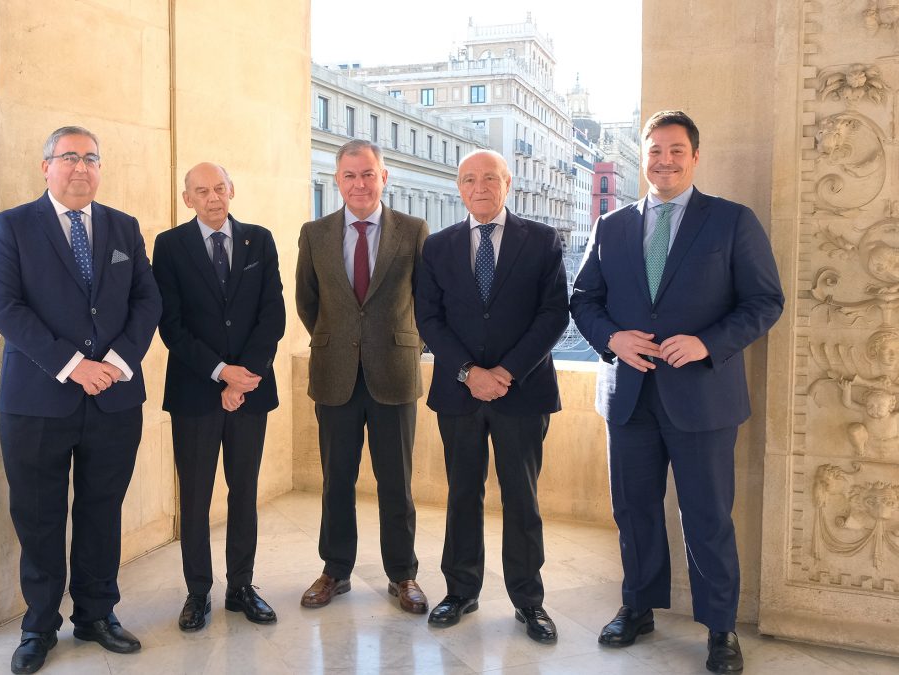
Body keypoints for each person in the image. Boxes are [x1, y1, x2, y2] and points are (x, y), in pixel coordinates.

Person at [570, 110, 784, 674]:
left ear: (694, 156)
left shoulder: (732, 222)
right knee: (633, 511)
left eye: (675, 150)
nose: (663, 160)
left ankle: (720, 629)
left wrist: (708, 343)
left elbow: (765, 302)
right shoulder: (612, 226)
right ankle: (637, 607)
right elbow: (583, 299)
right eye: (654, 151)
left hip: (704, 398)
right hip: (630, 398)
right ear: (643, 157)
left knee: (707, 515)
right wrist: (612, 337)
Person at [0, 126, 162, 674]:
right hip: (38, 400)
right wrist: (72, 365)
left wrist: (115, 363)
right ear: (46, 167)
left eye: (90, 158)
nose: (80, 167)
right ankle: (39, 625)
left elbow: (146, 300)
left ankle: (96, 614)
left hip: (114, 397)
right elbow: (6, 307)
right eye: (69, 157)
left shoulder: (123, 227)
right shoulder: (13, 226)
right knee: (37, 517)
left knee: (101, 511)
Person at [415, 150, 569, 643]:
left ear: (508, 183)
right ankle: (460, 590)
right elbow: (429, 319)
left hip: (521, 392)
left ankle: (529, 601)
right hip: (459, 394)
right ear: (459, 188)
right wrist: (467, 372)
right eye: (468, 179)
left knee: (522, 499)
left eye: (489, 178)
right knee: (462, 495)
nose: (479, 186)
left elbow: (553, 315)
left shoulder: (542, 241)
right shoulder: (437, 247)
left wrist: (504, 372)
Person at [295, 139, 430, 614]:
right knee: (336, 481)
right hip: (335, 376)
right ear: (338, 181)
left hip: (393, 373)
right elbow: (308, 304)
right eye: (350, 175)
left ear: (384, 177)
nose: (359, 183)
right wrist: (340, 342)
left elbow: (425, 301)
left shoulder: (413, 231)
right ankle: (335, 570)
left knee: (397, 482)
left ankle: (404, 574)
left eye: (368, 173)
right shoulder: (314, 234)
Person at [151, 162, 285, 631]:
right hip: (195, 393)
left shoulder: (259, 240)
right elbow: (171, 325)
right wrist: (220, 372)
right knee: (196, 497)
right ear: (186, 198)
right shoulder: (169, 246)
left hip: (251, 391)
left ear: (233, 190)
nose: (213, 198)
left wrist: (243, 376)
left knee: (244, 493)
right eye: (202, 191)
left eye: (220, 188)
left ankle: (241, 587)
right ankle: (197, 592)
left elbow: (273, 314)